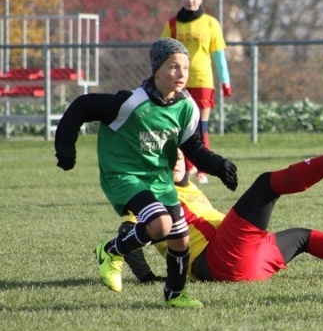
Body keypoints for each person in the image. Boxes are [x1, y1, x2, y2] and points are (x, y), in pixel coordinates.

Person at [55, 38, 239, 308]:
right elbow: (82, 106)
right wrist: (66, 150)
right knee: (160, 225)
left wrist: (219, 166)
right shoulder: (130, 103)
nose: (181, 74)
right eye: (173, 67)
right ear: (156, 70)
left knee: (179, 237)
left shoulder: (187, 108)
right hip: (124, 175)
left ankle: (175, 295)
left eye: (185, 68)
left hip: (159, 179)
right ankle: (110, 251)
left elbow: (194, 149)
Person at [122, 116, 323, 283]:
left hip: (248, 258)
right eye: (164, 161)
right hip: (216, 260)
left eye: (175, 157)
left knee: (303, 237)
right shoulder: (150, 195)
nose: (172, 163)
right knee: (266, 184)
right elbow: (128, 233)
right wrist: (148, 278)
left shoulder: (189, 188)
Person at [162, 0, 232, 184]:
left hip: (202, 79)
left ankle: (203, 168)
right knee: (178, 126)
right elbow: (162, 54)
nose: (190, 0)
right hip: (177, 82)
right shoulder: (173, 24)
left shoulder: (210, 23)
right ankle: (186, 166)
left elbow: (218, 55)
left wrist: (225, 80)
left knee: (201, 126)